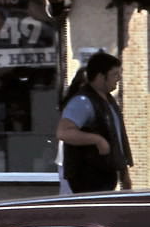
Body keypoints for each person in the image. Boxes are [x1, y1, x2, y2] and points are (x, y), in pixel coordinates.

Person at [56, 51, 133, 193]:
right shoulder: (82, 102)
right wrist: (97, 140)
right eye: (115, 74)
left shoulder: (108, 101)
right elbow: (64, 132)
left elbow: (117, 138)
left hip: (105, 175)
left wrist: (124, 173)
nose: (119, 78)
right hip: (87, 177)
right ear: (100, 76)